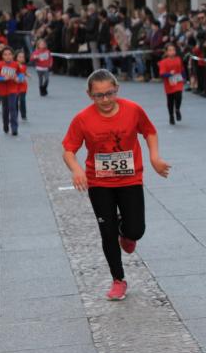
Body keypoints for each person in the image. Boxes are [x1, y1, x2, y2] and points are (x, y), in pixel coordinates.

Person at [62, 69, 171, 300]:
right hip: (99, 182)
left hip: (130, 179)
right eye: (98, 95)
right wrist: (77, 170)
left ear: (117, 90)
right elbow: (69, 150)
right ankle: (118, 280)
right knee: (106, 232)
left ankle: (126, 231)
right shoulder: (83, 118)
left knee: (136, 230)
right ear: (89, 95)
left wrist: (154, 158)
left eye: (109, 93)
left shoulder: (133, 109)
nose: (105, 100)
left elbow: (149, 132)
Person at [157, 43, 185, 125]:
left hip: (178, 82)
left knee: (179, 96)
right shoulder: (163, 62)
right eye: (170, 50)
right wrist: (169, 74)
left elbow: (182, 69)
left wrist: (184, 77)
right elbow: (162, 74)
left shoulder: (178, 59)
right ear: (166, 52)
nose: (172, 52)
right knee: (170, 100)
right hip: (169, 84)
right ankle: (171, 116)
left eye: (173, 50)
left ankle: (177, 109)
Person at [0, 47, 19, 135]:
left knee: (13, 108)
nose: (8, 56)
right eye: (5, 55)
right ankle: (5, 125)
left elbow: (21, 75)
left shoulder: (16, 65)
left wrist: (18, 78)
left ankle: (14, 128)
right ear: (2, 56)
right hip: (2, 91)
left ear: (13, 55)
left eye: (9, 54)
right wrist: (3, 78)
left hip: (13, 89)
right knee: (5, 109)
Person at [15, 49, 28, 121]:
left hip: (23, 86)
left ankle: (24, 114)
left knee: (22, 100)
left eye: (22, 57)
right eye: (19, 57)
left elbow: (23, 73)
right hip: (15, 85)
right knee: (16, 100)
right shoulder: (14, 65)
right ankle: (15, 114)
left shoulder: (24, 66)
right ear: (16, 57)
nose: (21, 58)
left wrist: (27, 74)